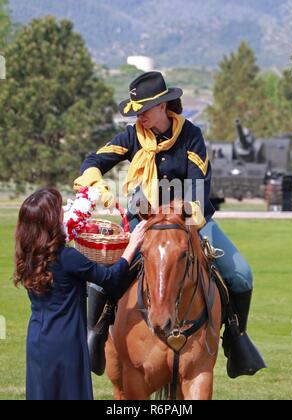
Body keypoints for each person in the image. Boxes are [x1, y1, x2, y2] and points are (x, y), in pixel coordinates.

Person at [74, 71, 265, 378]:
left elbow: (198, 183)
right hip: (143, 221)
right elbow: (94, 160)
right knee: (100, 278)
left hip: (191, 221)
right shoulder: (132, 134)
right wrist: (95, 181)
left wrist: (182, 211)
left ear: (163, 106)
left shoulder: (191, 135)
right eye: (136, 111)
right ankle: (93, 340)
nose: (140, 117)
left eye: (144, 110)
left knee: (241, 274)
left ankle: (236, 340)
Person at [13, 187, 146, 400]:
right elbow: (111, 279)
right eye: (59, 209)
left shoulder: (28, 255)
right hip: (66, 343)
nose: (64, 211)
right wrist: (132, 246)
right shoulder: (68, 257)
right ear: (50, 220)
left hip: (37, 340)